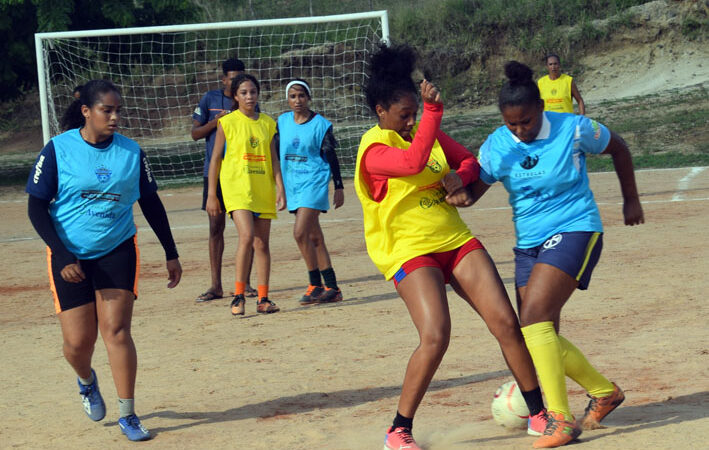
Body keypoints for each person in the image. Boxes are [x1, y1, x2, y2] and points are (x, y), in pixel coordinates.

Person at [354, 44, 547, 450]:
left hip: (454, 239)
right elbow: (410, 163)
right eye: (403, 115)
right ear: (380, 112)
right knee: (436, 335)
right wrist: (432, 114)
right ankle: (398, 429)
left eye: (414, 114)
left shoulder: (427, 132)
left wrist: (460, 177)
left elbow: (471, 162)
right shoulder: (373, 148)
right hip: (408, 250)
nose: (411, 122)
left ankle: (540, 414)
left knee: (506, 323)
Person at [461, 61, 643, 448]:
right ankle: (603, 391)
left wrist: (631, 200)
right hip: (528, 244)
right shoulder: (497, 144)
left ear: (541, 108)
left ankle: (560, 422)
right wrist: (457, 191)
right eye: (512, 124)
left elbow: (620, 147)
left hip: (576, 228)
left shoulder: (573, 128)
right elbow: (474, 191)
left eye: (526, 122)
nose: (520, 131)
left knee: (533, 318)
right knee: (537, 333)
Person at [26, 80, 182, 441]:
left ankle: (128, 413)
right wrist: (62, 253)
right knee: (79, 343)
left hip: (117, 248)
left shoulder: (131, 152)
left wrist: (170, 251)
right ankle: (86, 381)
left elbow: (151, 202)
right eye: (106, 110)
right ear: (86, 111)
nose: (114, 117)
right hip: (69, 253)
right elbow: (36, 206)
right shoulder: (57, 150)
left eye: (118, 111)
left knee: (117, 331)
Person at [206, 73, 286, 316]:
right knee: (247, 236)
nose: (249, 96)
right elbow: (216, 159)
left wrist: (280, 187)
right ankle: (238, 295)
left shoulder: (268, 123)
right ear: (235, 96)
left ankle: (263, 298)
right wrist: (212, 194)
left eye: (253, 92)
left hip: (262, 188)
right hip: (237, 189)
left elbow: (273, 159)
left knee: (262, 243)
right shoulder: (227, 122)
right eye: (244, 93)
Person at [191, 57, 257, 302]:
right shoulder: (211, 99)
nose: (238, 83)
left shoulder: (249, 102)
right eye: (232, 78)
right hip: (216, 175)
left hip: (244, 175)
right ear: (224, 80)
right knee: (215, 227)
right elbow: (195, 133)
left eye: (241, 77)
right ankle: (215, 285)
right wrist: (217, 122)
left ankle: (246, 283)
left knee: (247, 231)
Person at [276, 78, 344, 305]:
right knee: (315, 237)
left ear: (309, 98)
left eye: (301, 96)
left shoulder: (321, 125)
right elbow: (276, 151)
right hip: (293, 184)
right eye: (293, 96)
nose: (297, 101)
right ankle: (332, 288)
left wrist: (339, 186)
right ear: (287, 99)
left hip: (314, 183)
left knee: (299, 233)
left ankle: (315, 284)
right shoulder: (282, 122)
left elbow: (331, 156)